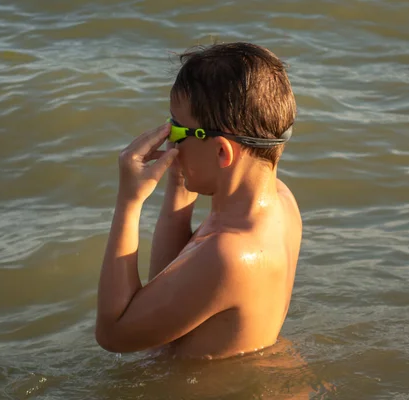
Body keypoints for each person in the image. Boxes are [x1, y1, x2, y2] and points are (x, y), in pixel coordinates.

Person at [95, 42, 301, 360]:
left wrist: (129, 202)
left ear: (221, 152)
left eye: (177, 129)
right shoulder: (280, 202)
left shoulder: (229, 254)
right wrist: (180, 181)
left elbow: (113, 334)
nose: (169, 138)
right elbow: (171, 283)